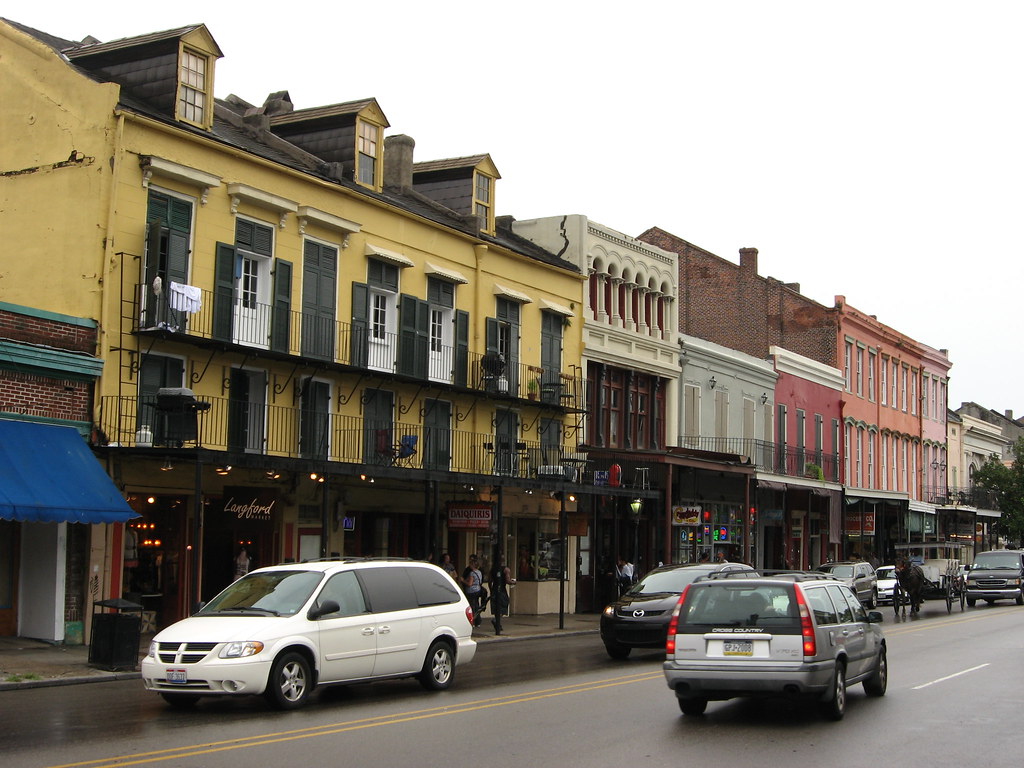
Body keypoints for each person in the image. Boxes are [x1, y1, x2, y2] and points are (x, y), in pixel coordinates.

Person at [489, 555, 516, 635]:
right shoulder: (506, 570)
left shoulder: (492, 569)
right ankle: (496, 620)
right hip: (502, 590)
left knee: (496, 606)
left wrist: (491, 590)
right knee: (503, 605)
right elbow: (508, 581)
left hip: (494, 590)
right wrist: (513, 582)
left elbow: (490, 581)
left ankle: (498, 623)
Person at [462, 555, 484, 626]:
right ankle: (478, 621)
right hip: (478, 590)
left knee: (472, 606)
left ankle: (473, 621)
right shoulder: (479, 572)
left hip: (471, 591)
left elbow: (469, 584)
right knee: (476, 605)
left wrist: (463, 581)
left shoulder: (471, 573)